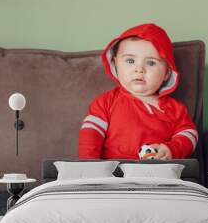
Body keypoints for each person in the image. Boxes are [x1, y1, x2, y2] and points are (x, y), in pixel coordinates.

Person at [78, 23, 198, 160]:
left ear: (167, 72)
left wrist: (171, 149)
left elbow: (190, 134)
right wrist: (89, 165)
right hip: (112, 173)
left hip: (156, 174)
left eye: (151, 63)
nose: (139, 69)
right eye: (130, 61)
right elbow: (90, 134)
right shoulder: (105, 103)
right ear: (115, 64)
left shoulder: (175, 109)